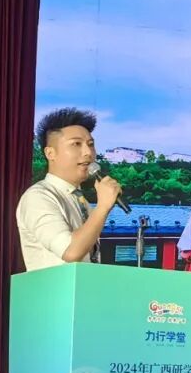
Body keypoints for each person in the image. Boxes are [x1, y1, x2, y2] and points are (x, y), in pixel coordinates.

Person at [16, 108, 123, 271]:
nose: (88, 152)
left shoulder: (80, 200)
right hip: (53, 288)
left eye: (91, 144)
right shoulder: (38, 197)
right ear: (50, 153)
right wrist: (102, 207)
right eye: (76, 144)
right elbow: (71, 252)